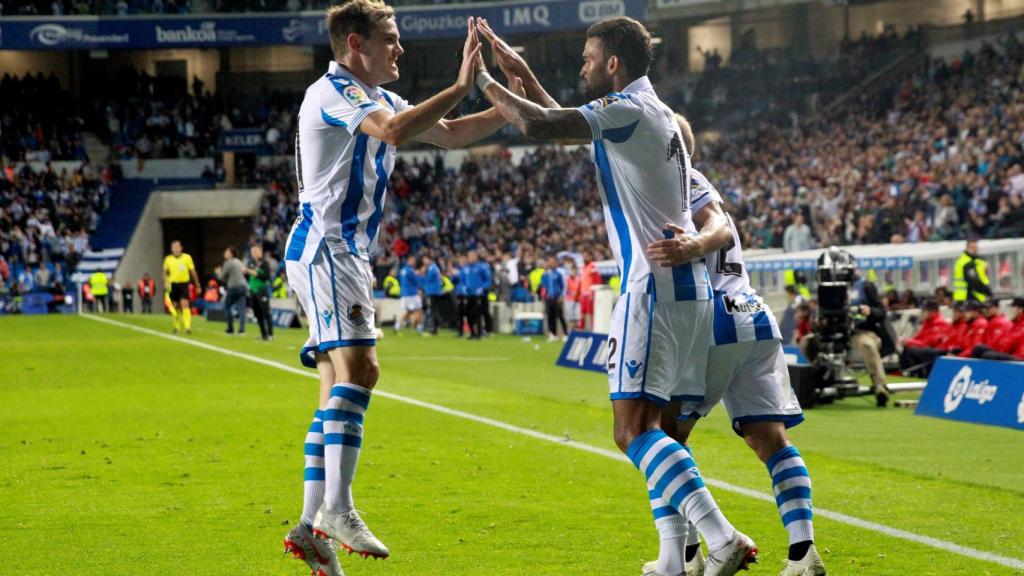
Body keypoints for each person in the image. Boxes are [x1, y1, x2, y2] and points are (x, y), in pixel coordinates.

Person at [476, 16, 756, 573]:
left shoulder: (630, 109)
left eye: (587, 57)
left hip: (652, 287)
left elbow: (538, 126)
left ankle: (721, 537)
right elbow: (566, 122)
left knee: (632, 432)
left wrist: (478, 78)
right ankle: (674, 559)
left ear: (613, 64)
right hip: (684, 292)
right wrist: (523, 74)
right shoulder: (646, 114)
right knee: (661, 432)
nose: (580, 66)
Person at [280, 3, 516, 573]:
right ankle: (336, 509)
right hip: (327, 247)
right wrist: (461, 84)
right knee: (363, 370)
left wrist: (511, 106)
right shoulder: (333, 92)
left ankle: (312, 525)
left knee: (335, 382)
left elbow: (454, 135)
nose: (400, 50)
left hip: (337, 252)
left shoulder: (380, 98)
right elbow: (388, 133)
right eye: (390, 40)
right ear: (355, 43)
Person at [644, 169, 826, 576]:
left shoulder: (674, 179)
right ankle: (803, 554)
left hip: (713, 319)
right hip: (754, 317)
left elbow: (717, 228)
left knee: (661, 434)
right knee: (772, 441)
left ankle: (686, 555)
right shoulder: (694, 184)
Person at [848, 265, 895, 407]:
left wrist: (870, 311)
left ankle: (880, 387)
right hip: (832, 333)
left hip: (860, 332)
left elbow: (882, 312)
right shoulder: (827, 288)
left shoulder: (866, 286)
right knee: (808, 342)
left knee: (867, 344)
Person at [899, 300, 952, 377]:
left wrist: (909, 342)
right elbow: (919, 337)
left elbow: (929, 343)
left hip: (936, 350)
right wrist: (908, 341)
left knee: (911, 349)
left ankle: (912, 373)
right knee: (908, 348)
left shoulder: (940, 323)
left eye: (925, 311)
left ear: (933, 311)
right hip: (927, 349)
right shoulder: (927, 322)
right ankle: (909, 372)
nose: (923, 313)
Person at [163, 240, 199, 334]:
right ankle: (176, 327)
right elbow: (165, 272)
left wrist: (197, 284)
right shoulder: (168, 259)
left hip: (184, 283)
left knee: (185, 304)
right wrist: (166, 282)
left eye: (177, 247)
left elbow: (192, 271)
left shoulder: (187, 257)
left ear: (181, 248)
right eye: (173, 247)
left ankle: (187, 327)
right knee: (175, 306)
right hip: (173, 284)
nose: (175, 249)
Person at [218, 246, 248, 335]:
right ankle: (242, 330)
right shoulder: (240, 262)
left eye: (226, 252)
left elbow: (222, 277)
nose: (225, 254)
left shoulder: (228, 263)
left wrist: (218, 272)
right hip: (243, 286)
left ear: (231, 253)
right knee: (241, 309)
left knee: (227, 307)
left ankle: (230, 329)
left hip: (233, 287)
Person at [246, 244, 274, 341]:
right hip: (253, 291)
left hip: (262, 290)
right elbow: (249, 276)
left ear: (260, 251)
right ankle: (263, 334)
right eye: (252, 252)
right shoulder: (251, 263)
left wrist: (256, 274)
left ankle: (271, 334)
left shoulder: (264, 263)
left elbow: (266, 276)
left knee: (266, 312)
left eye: (255, 251)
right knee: (258, 313)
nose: (253, 253)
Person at [953, 238, 992, 303]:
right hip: (968, 297)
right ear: (967, 248)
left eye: (976, 247)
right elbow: (973, 280)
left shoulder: (974, 261)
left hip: (969, 297)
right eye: (972, 248)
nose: (975, 250)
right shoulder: (966, 262)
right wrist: (987, 291)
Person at [540, 256, 568, 341]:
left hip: (557, 297)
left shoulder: (559, 273)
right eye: (549, 262)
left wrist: (562, 295)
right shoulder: (546, 274)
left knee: (560, 316)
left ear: (556, 263)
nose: (550, 263)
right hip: (549, 297)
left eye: (552, 262)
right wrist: (544, 296)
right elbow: (544, 286)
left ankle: (565, 334)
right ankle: (553, 334)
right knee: (550, 316)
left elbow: (564, 285)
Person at [397, 255, 422, 332]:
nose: (414, 262)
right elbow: (416, 280)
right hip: (412, 294)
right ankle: (419, 327)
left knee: (409, 312)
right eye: (412, 260)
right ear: (409, 260)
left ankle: (397, 325)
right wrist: (419, 274)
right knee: (419, 309)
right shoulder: (410, 270)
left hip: (405, 294)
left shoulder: (403, 269)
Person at [420, 255, 443, 334]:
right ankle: (435, 328)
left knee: (433, 310)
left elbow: (427, 279)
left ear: (429, 259)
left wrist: (422, 274)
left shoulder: (432, 268)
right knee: (433, 310)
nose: (424, 262)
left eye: (425, 260)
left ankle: (436, 326)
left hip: (432, 292)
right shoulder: (434, 267)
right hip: (434, 291)